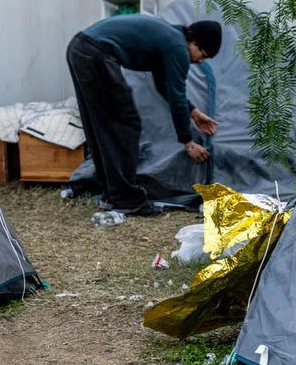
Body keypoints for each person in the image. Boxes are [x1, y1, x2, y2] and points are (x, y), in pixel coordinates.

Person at [66, 12, 222, 216]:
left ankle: (112, 195)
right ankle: (127, 200)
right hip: (96, 53)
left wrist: (193, 111)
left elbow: (164, 85)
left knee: (101, 128)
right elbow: (176, 96)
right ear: (194, 41)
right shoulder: (178, 48)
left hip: (79, 48)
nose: (201, 61)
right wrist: (188, 143)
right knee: (123, 125)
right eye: (204, 54)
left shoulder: (169, 37)